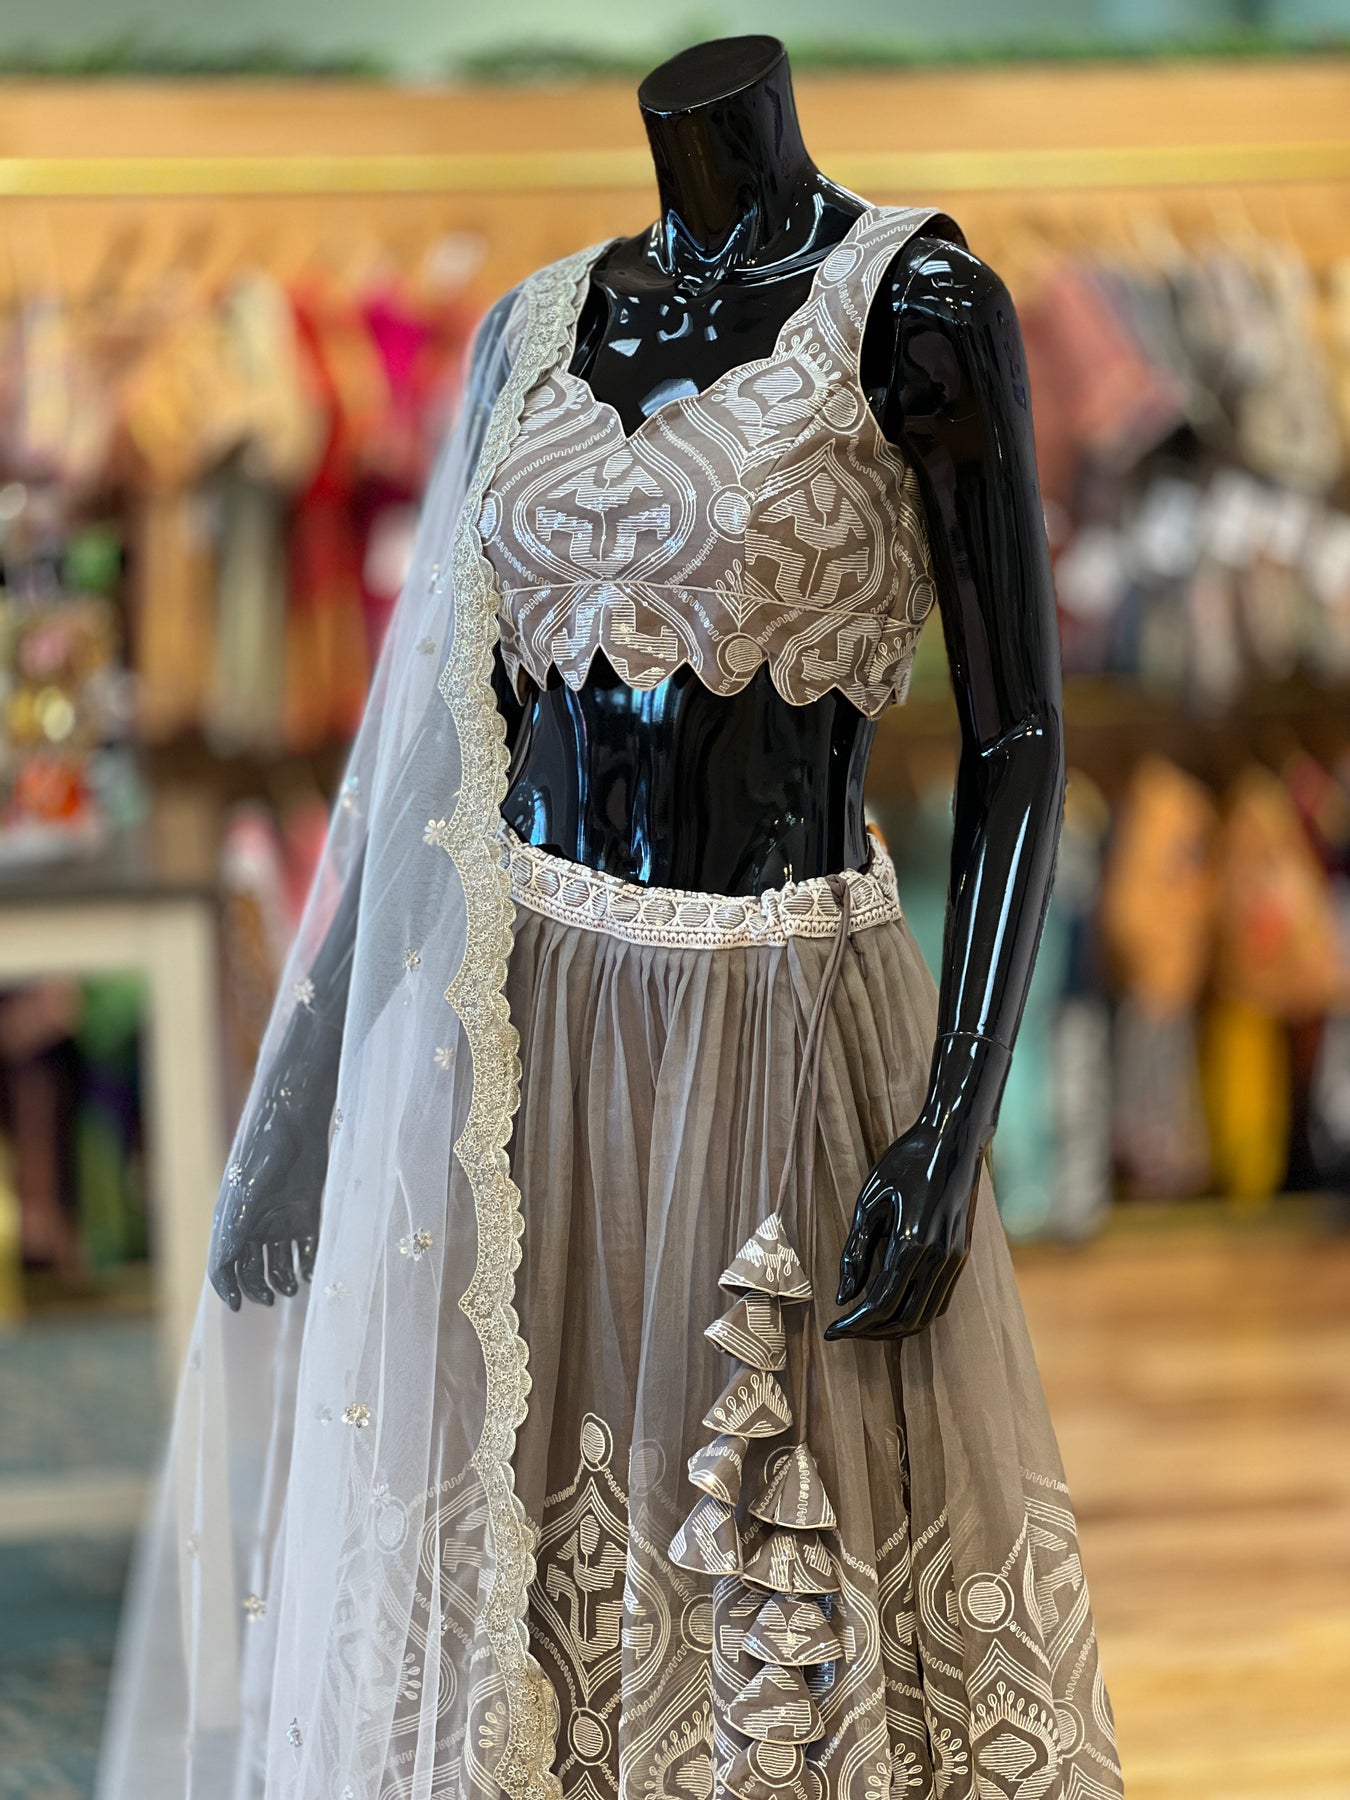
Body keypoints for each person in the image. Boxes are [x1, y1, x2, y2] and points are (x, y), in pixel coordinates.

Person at [101, 36, 1122, 1800]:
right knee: (510, 1582)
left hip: (780, 1030)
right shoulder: (526, 330)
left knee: (760, 1570)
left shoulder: (917, 307)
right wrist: (312, 1075)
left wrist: (955, 1122)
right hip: (515, 1043)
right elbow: (443, 747)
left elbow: (1017, 740)